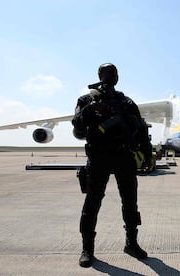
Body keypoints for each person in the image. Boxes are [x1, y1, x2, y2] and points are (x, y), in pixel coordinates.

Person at [72, 63, 152, 267]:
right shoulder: (87, 99)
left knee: (130, 200)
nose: (112, 76)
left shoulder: (126, 101)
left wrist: (147, 154)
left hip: (123, 155)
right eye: (108, 72)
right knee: (92, 202)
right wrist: (91, 110)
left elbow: (141, 128)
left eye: (114, 72)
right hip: (99, 156)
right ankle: (87, 249)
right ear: (99, 75)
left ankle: (131, 243)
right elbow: (78, 127)